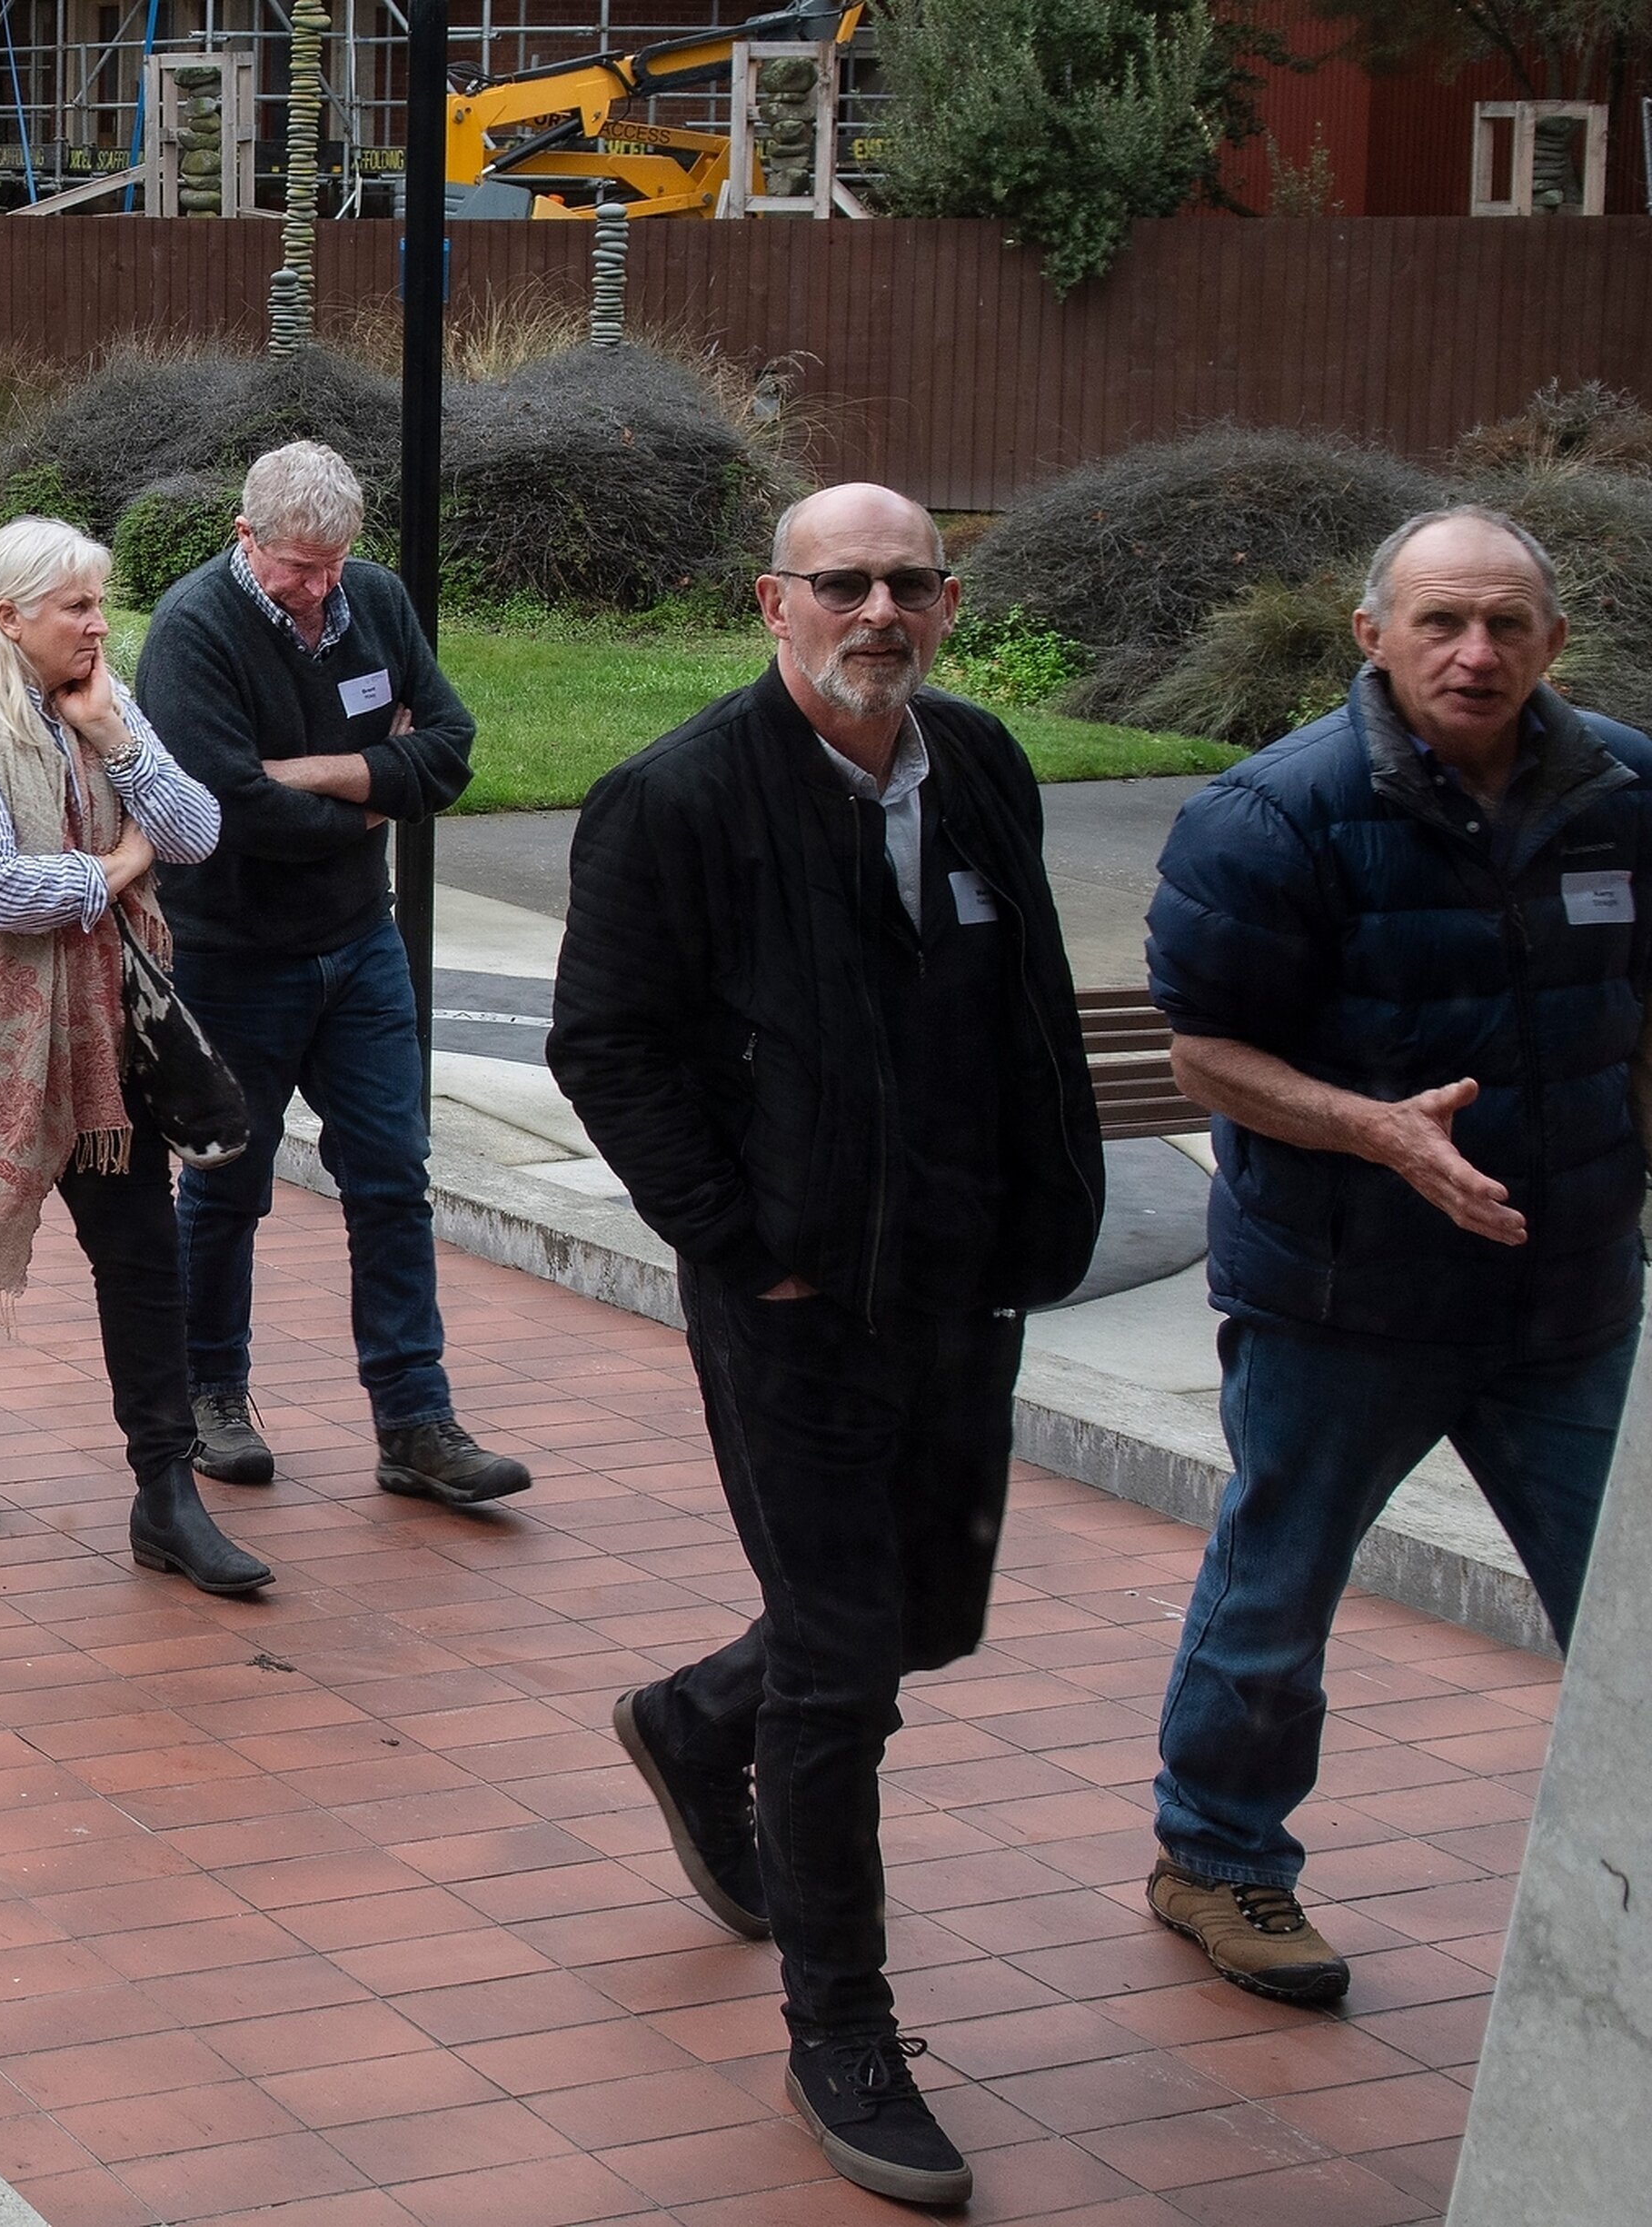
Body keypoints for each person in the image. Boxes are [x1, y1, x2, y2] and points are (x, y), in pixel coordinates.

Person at [547, 484, 1103, 2210]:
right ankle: (842, 2031)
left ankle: (694, 1715)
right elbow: (607, 1045)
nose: (879, 611)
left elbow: (1027, 1003)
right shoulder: (678, 797)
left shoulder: (980, 762)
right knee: (848, 1667)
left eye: (909, 583)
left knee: (925, 1616)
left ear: (949, 602)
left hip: (961, 1277)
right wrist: (744, 1243)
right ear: (771, 602)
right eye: (842, 582)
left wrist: (1045, 1216)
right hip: (796, 1303)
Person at [1140, 506, 1652, 2009]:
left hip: (1568, 1291)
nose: (1475, 652)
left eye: (1506, 623)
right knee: (1276, 1597)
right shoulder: (1273, 813)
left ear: (1554, 640)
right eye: (1441, 621)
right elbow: (1204, 1054)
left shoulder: (1628, 790)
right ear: (1373, 636)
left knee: (1629, 1605)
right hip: (1342, 1295)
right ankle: (1217, 1856)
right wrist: (1381, 1133)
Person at [0, 516, 265, 1596]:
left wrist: (119, 745)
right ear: (10, 617)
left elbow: (197, 832)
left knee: (139, 1248)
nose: (99, 625)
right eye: (77, 607)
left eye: (100, 603)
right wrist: (121, 866)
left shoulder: (98, 701)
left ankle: (165, 1495)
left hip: (98, 1019)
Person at [136, 441, 532, 1507]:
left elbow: (449, 747)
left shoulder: (377, 601)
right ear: (245, 536)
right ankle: (209, 1395)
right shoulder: (193, 630)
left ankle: (414, 1421)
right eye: (297, 568)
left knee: (393, 1177)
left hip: (361, 945)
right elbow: (224, 810)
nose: (318, 590)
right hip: (232, 956)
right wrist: (373, 796)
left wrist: (315, 774)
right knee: (227, 1182)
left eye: (333, 564)